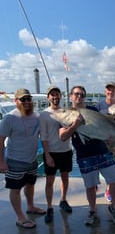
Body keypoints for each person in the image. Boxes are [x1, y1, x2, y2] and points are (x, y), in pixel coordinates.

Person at [59, 85, 115, 225]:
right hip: (84, 155)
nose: (79, 97)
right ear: (71, 96)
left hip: (102, 151)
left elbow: (104, 126)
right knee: (91, 186)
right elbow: (62, 136)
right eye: (76, 94)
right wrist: (75, 125)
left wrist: (109, 137)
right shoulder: (66, 113)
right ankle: (92, 211)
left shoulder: (92, 110)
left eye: (81, 94)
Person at [0, 88, 46, 229]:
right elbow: (1, 140)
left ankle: (30, 206)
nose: (26, 102)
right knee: (15, 189)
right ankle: (20, 217)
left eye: (28, 99)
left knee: (30, 185)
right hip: (15, 161)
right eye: (23, 99)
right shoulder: (10, 118)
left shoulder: (37, 116)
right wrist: (1, 162)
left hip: (32, 160)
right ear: (16, 101)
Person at [39, 86, 73, 224]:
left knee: (65, 178)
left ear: (61, 96)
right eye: (52, 95)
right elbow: (44, 137)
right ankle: (49, 207)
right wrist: (47, 155)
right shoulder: (44, 114)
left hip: (66, 150)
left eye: (57, 94)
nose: (55, 97)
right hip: (52, 152)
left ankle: (63, 200)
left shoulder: (67, 112)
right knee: (50, 181)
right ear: (48, 97)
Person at [95, 81, 115, 203]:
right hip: (100, 141)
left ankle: (108, 190)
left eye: (112, 90)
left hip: (113, 142)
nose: (110, 92)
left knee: (111, 167)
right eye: (108, 90)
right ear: (105, 92)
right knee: (98, 165)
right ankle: (95, 184)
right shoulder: (99, 106)